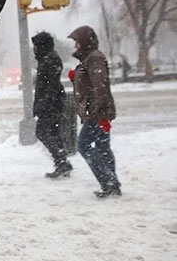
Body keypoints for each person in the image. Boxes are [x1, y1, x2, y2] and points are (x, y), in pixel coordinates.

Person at [67, 26, 121, 198]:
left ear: (84, 41)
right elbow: (91, 81)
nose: (75, 46)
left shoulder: (94, 58)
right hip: (98, 111)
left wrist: (99, 114)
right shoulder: (90, 58)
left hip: (97, 113)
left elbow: (100, 86)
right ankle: (112, 184)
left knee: (83, 145)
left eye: (77, 41)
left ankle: (109, 182)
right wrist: (75, 77)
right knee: (103, 147)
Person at [31, 31, 73, 179]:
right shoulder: (48, 58)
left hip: (50, 104)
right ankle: (62, 162)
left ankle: (62, 161)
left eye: (35, 45)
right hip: (53, 102)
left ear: (42, 45)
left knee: (42, 132)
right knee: (54, 133)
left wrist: (42, 105)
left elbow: (48, 87)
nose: (34, 48)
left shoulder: (49, 60)